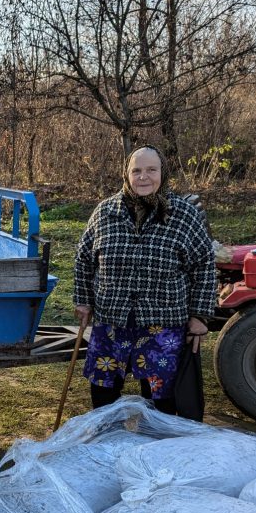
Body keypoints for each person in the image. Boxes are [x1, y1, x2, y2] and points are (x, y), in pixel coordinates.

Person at [74, 145, 216, 415]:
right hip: (111, 318)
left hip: (162, 322)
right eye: (136, 170)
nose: (143, 177)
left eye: (151, 170)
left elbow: (204, 265)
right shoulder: (105, 213)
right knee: (103, 391)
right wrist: (83, 300)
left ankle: (156, 451)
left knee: (159, 397)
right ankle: (108, 445)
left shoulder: (183, 215)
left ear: (163, 172)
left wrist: (199, 316)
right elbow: (83, 258)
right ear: (126, 175)